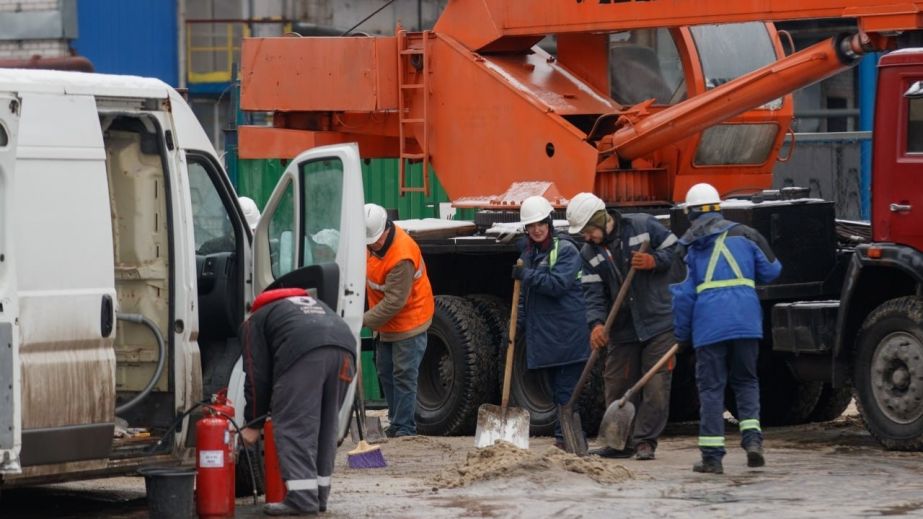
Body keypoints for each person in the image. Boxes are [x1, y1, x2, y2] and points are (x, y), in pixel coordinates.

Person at [670, 183, 782, 475]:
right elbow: (772, 270)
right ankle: (753, 441)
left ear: (690, 212)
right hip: (746, 322)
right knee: (746, 381)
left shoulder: (690, 247)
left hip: (710, 327)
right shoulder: (746, 235)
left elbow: (683, 297)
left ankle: (712, 458)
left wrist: (681, 336)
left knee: (711, 389)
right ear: (718, 206)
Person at [566, 192, 679, 460]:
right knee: (616, 383)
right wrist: (596, 324)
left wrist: (654, 261)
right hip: (622, 327)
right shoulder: (589, 253)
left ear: (600, 219)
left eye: (587, 231)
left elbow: (675, 250)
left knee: (655, 387)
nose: (586, 237)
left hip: (657, 321)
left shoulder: (643, 226)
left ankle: (644, 442)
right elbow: (592, 293)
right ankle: (619, 442)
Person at [239, 287, 356, 516]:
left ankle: (302, 500)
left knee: (294, 427)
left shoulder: (256, 319)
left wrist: (252, 423)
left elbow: (256, 376)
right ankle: (319, 496)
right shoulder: (312, 306)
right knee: (326, 425)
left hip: (305, 354)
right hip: (345, 352)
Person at [513, 196, 590, 450]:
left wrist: (527, 275)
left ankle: (567, 440)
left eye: (540, 224)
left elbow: (557, 285)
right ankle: (567, 439)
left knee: (566, 392)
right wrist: (518, 324)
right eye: (531, 225)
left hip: (567, 332)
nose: (536, 229)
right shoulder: (529, 252)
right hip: (547, 335)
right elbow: (526, 296)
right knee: (556, 390)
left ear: (549, 222)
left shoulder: (566, 249)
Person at [363, 203, 434, 437]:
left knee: (403, 374)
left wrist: (359, 320)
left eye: (375, 240)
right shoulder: (369, 244)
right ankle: (396, 422)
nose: (373, 245)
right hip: (385, 325)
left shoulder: (401, 255)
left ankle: (404, 428)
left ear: (386, 228)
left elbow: (395, 302)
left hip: (409, 322)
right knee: (385, 371)